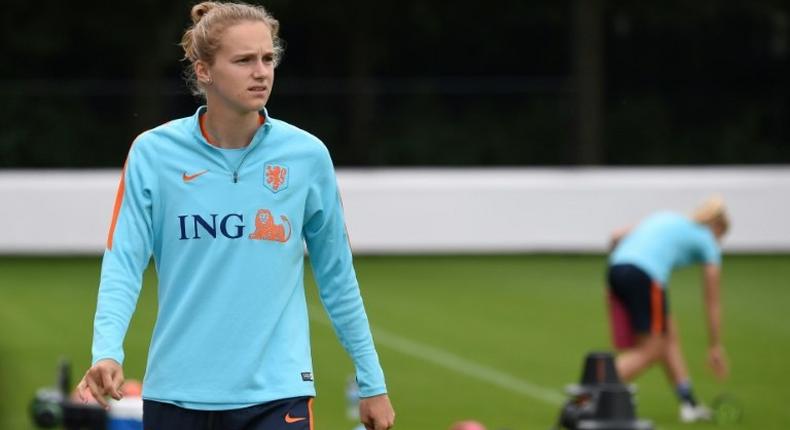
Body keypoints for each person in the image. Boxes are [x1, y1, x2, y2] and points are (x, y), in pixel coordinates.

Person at [76, 2, 395, 429]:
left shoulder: (306, 155)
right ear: (204, 70)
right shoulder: (153, 153)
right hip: (176, 393)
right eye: (244, 60)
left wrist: (372, 381)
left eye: (268, 59)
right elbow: (123, 261)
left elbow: (337, 274)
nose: (261, 72)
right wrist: (106, 351)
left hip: (277, 393)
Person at [606, 196, 730, 423]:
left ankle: (689, 403)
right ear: (718, 228)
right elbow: (711, 300)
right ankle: (595, 389)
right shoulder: (707, 240)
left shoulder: (667, 217)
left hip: (617, 268)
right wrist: (715, 345)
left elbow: (615, 235)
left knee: (669, 335)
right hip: (646, 276)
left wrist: (623, 265)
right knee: (651, 349)